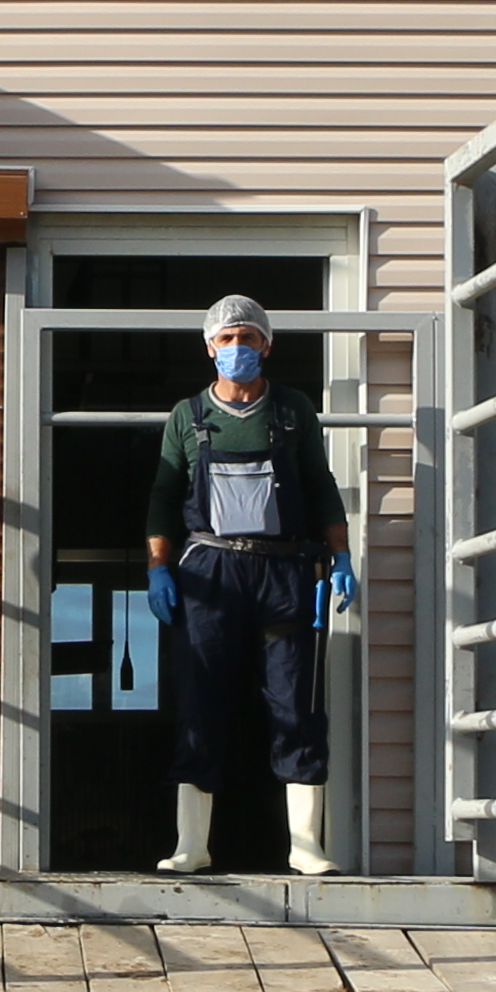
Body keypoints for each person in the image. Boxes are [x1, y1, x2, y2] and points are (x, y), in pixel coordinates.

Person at [141, 294, 355, 874]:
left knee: (295, 701)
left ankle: (306, 844)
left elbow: (319, 481)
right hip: (210, 570)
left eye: (249, 338)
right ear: (210, 347)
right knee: (200, 697)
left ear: (267, 345)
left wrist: (341, 554)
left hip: (283, 570)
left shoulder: (292, 410)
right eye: (228, 339)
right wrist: (159, 567)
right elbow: (163, 496)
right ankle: (192, 843)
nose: (239, 348)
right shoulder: (188, 416)